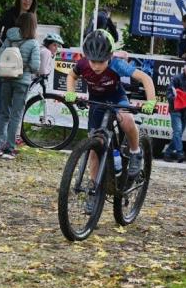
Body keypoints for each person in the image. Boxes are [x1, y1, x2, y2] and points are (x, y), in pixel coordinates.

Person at [64, 29, 156, 180]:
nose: (96, 66)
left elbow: (145, 78)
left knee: (126, 119)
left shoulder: (117, 65)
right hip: (96, 101)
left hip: (116, 97)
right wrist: (70, 92)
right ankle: (93, 190)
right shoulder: (83, 64)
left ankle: (135, 152)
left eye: (101, 62)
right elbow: (71, 76)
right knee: (94, 147)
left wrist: (151, 101)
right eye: (93, 61)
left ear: (110, 56)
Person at [0, 0, 38, 153]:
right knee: (3, 108)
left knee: (7, 111)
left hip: (14, 73)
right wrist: (10, 58)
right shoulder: (10, 16)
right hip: (10, 72)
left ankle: (2, 143)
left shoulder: (32, 18)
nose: (27, 0)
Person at [0, 12, 40, 159]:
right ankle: (9, 149)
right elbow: (36, 66)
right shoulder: (33, 43)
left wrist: (8, 65)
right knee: (16, 115)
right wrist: (23, 67)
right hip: (22, 82)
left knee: (4, 113)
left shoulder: (9, 39)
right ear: (33, 26)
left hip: (5, 80)